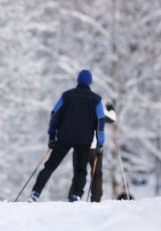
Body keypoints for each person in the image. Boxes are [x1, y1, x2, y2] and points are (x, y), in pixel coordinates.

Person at [28, 69, 105, 202]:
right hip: (84, 140)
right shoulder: (96, 100)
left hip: (64, 137)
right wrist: (100, 143)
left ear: (78, 80)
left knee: (50, 166)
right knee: (81, 170)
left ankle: (35, 193)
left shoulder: (67, 96)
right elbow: (100, 122)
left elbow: (55, 114)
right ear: (90, 82)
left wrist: (52, 136)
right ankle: (76, 196)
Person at [83, 102, 117, 202]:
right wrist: (110, 108)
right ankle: (96, 199)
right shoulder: (98, 109)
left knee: (79, 172)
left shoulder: (78, 108)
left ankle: (74, 196)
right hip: (94, 147)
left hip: (80, 146)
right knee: (97, 174)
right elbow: (112, 118)